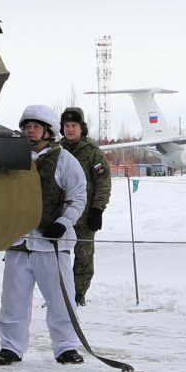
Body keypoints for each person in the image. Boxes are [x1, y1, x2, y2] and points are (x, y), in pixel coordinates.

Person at [0, 103, 90, 360]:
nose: (30, 131)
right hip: (19, 242)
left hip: (52, 244)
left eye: (35, 127)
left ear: (48, 131)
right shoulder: (12, 158)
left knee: (61, 301)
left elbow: (77, 196)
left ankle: (66, 347)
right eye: (27, 126)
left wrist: (63, 222)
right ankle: (10, 347)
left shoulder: (65, 161)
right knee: (13, 301)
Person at [56, 108, 112, 303]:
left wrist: (98, 209)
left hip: (86, 216)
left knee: (84, 257)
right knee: (58, 257)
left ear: (82, 128)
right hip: (60, 216)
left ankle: (77, 295)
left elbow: (103, 182)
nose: (70, 129)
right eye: (66, 126)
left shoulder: (92, 152)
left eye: (74, 126)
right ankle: (60, 294)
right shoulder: (56, 150)